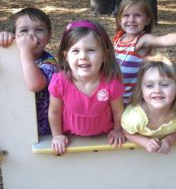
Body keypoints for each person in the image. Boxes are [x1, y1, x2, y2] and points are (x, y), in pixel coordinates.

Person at [48, 20, 125, 154]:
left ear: (105, 56)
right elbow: (54, 112)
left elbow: (118, 111)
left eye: (90, 50)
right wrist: (57, 135)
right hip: (70, 140)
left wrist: (117, 130)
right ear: (66, 56)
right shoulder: (60, 82)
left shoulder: (111, 83)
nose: (83, 56)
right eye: (75, 51)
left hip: (104, 139)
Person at [114, 0, 176, 104]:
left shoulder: (142, 40)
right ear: (120, 19)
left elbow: (165, 39)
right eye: (126, 15)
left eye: (137, 15)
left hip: (130, 102)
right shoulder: (118, 39)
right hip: (113, 98)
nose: (131, 19)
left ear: (147, 20)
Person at [0, 7, 57, 136]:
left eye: (39, 30)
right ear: (15, 37)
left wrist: (25, 50)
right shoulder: (11, 58)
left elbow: (35, 84)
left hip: (44, 130)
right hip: (17, 121)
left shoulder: (50, 63)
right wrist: (4, 39)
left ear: (49, 36)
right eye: (23, 31)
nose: (30, 35)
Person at [121, 55, 176, 154]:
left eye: (164, 84)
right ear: (141, 90)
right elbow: (127, 133)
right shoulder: (134, 118)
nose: (157, 90)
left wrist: (169, 140)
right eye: (149, 85)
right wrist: (145, 142)